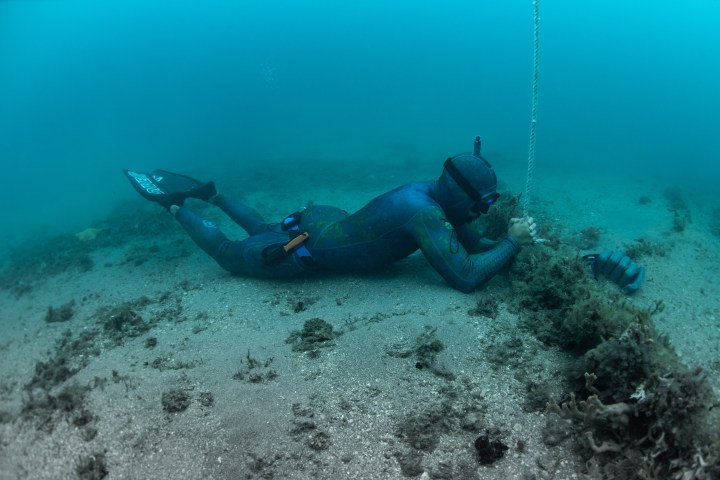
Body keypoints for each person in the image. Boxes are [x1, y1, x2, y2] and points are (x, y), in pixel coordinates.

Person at [124, 137, 642, 293]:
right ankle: (175, 206)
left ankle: (211, 194)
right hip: (309, 248)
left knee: (263, 227)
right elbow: (466, 276)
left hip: (323, 218)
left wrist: (538, 250)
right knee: (230, 254)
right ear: (461, 193)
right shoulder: (426, 216)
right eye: (481, 204)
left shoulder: (435, 195)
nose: (483, 212)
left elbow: (477, 246)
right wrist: (512, 241)